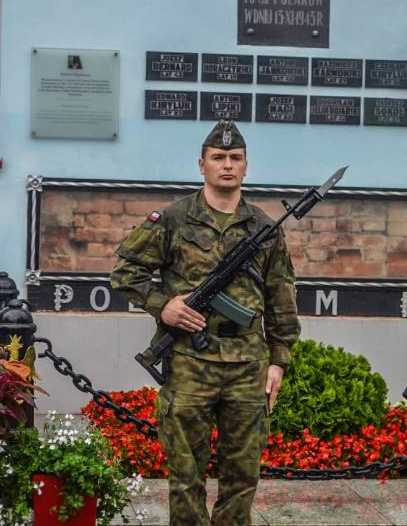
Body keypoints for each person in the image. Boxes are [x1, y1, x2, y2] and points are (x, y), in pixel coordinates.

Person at [110, 120, 300, 525]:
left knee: (242, 476)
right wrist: (163, 306)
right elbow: (126, 272)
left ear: (246, 165)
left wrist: (278, 360)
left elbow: (280, 297)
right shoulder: (174, 219)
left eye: (235, 158)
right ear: (202, 165)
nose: (227, 165)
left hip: (247, 365)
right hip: (189, 362)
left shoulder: (264, 228)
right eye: (218, 157)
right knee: (185, 477)